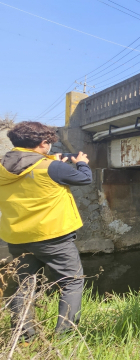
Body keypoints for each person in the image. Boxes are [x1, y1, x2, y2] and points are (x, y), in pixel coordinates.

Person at [0, 121, 92, 339]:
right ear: (43, 143)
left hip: (17, 237)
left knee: (24, 284)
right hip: (52, 236)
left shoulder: (3, 167)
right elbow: (85, 178)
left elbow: (28, 170)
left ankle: (24, 337)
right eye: (49, 143)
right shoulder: (53, 168)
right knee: (71, 282)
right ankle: (64, 336)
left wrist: (52, 161)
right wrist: (82, 163)